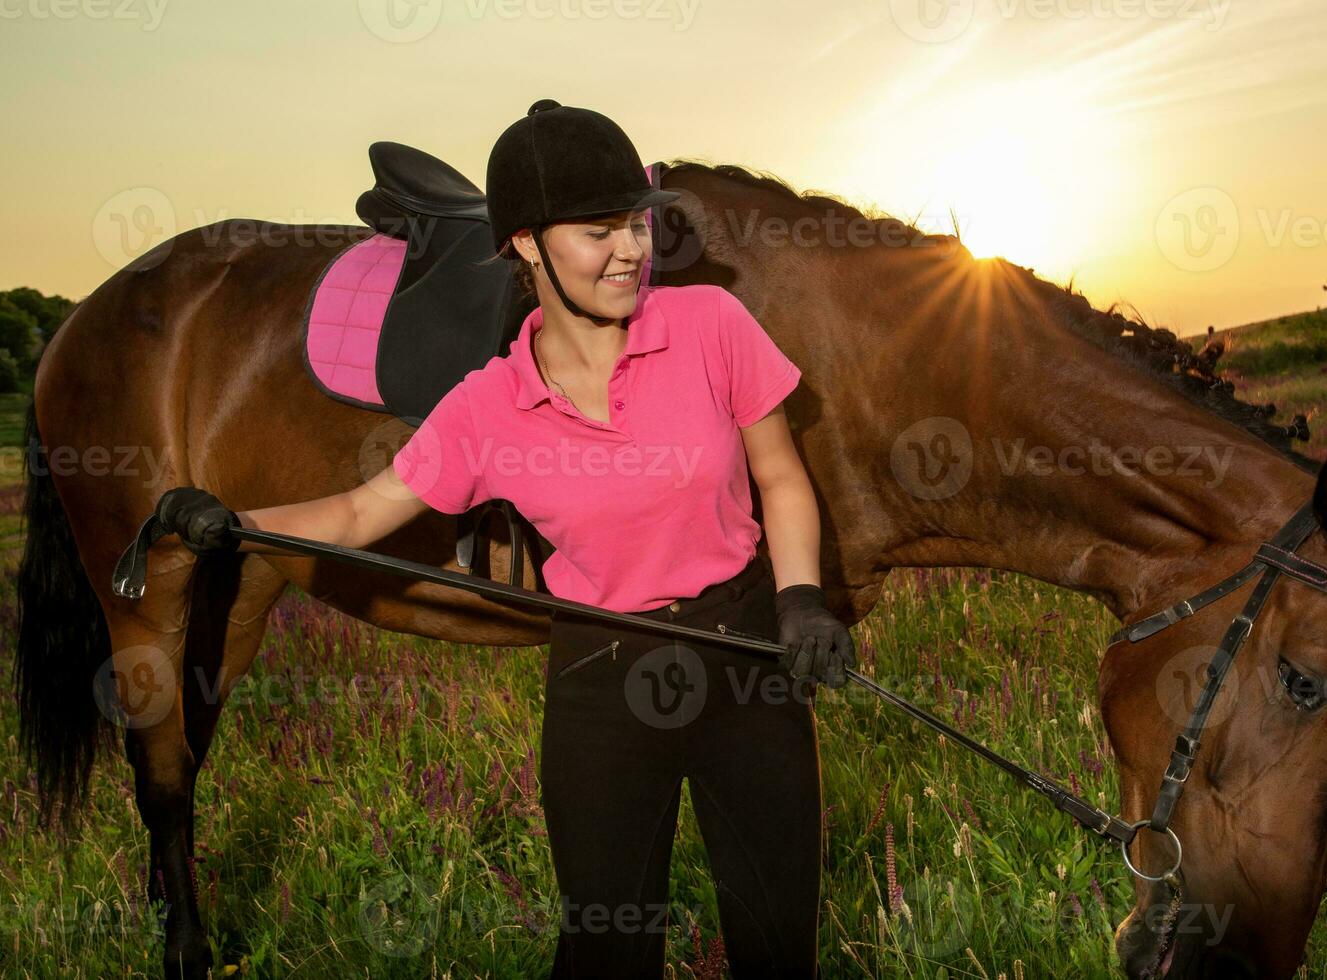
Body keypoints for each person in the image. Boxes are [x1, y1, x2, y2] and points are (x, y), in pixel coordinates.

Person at [154, 98, 855, 978]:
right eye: (599, 231)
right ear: (526, 244)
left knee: (778, 945)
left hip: (751, 657)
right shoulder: (488, 406)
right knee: (605, 952)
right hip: (603, 685)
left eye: (634, 224)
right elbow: (358, 513)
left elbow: (781, 476)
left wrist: (798, 601)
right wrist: (232, 524)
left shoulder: (712, 325)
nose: (632, 250)